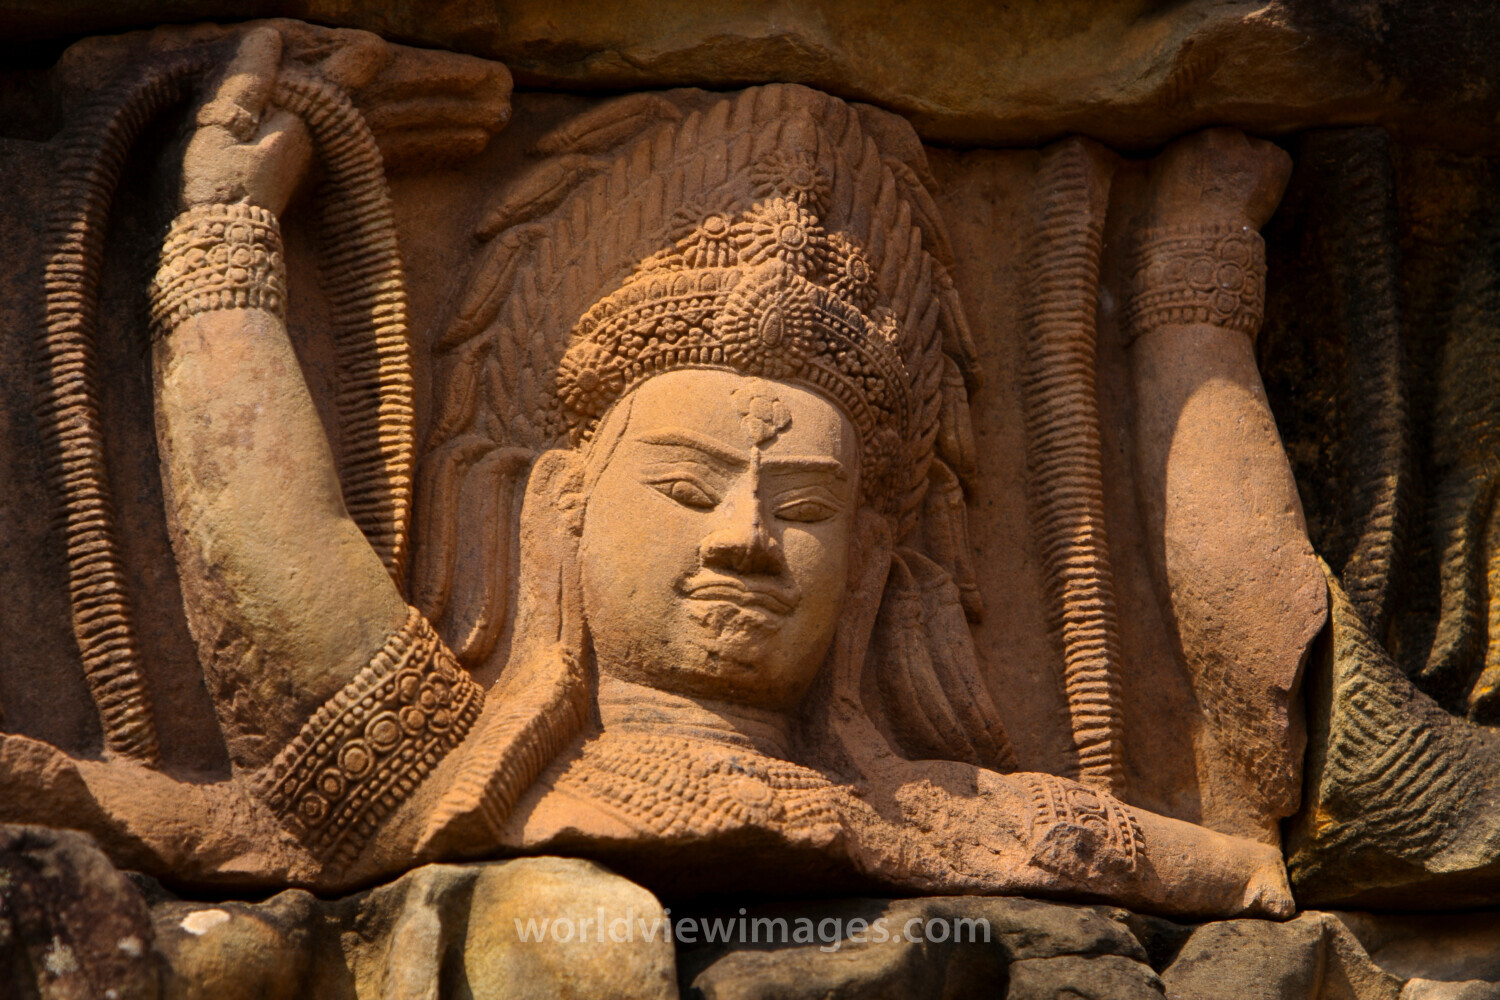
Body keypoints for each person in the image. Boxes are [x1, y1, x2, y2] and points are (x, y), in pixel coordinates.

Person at [0, 28, 1292, 918]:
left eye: (803, 507)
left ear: (877, 561)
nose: (746, 539)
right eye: (685, 488)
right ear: (561, 506)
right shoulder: (435, 772)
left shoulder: (990, 825)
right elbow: (272, 563)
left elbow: (1254, 853)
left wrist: (1192, 290)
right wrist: (226, 223)